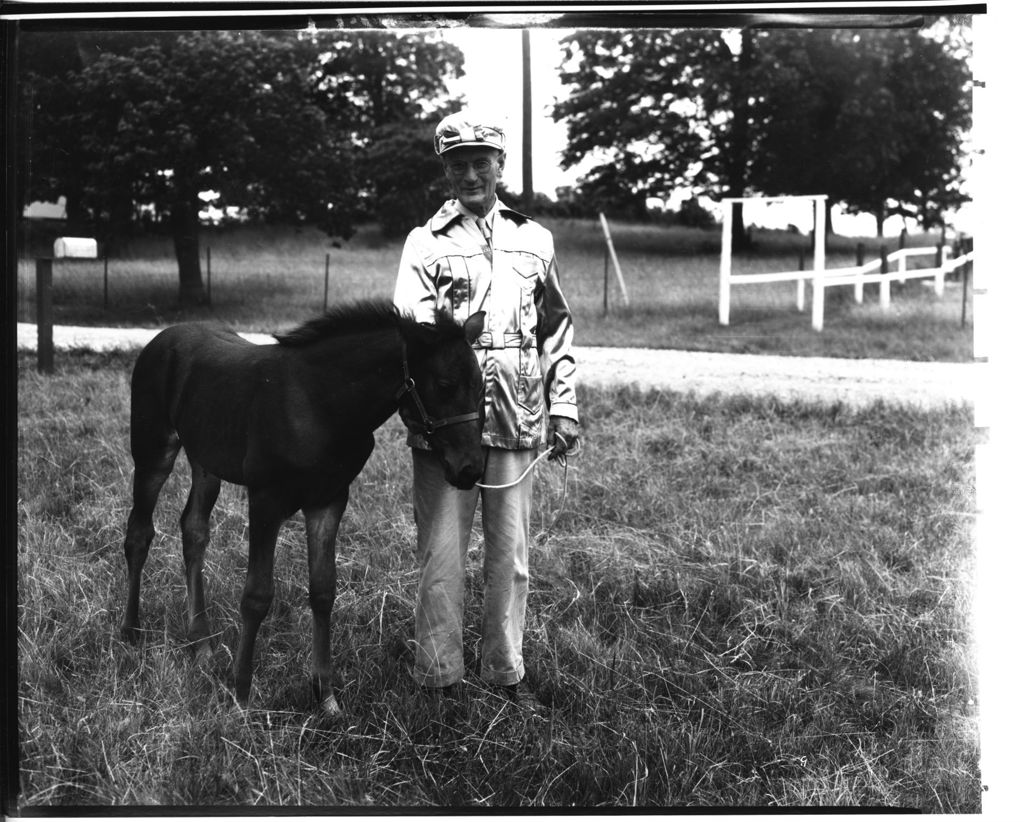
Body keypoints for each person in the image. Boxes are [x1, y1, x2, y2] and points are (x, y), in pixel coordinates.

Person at [393, 110, 580, 709]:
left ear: (501, 166)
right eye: (458, 164)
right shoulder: (425, 242)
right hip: (448, 428)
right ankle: (439, 677)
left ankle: (506, 673)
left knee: (511, 557)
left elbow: (555, 329)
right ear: (444, 170)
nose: (471, 173)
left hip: (519, 416)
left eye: (482, 162)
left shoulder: (535, 238)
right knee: (441, 555)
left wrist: (565, 407)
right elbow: (411, 339)